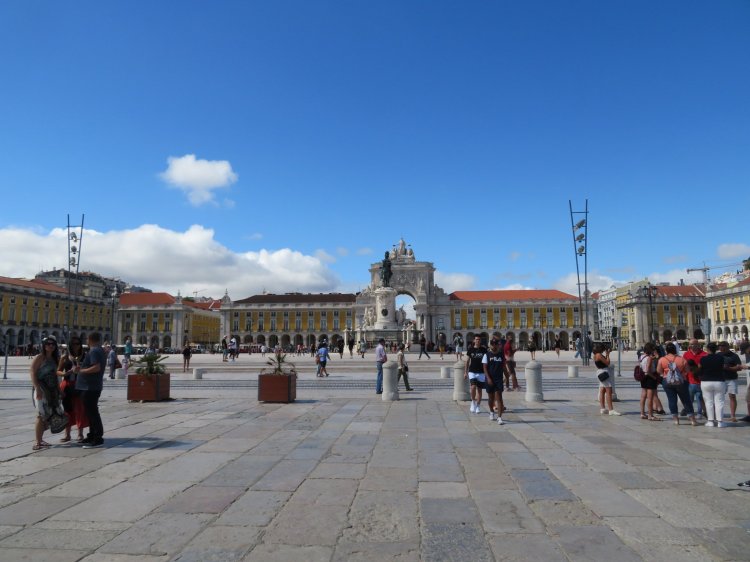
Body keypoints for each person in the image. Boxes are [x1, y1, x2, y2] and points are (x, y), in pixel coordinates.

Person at [74, 332, 107, 448]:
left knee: (92, 412)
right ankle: (92, 435)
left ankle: (97, 438)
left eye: (87, 339)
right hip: (92, 386)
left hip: (89, 387)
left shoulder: (94, 351)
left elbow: (96, 367)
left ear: (89, 339)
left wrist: (81, 371)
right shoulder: (100, 350)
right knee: (90, 412)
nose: (86, 341)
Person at [30, 336, 63, 450]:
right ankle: (37, 442)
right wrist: (37, 388)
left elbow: (57, 376)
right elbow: (32, 372)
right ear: (44, 346)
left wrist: (59, 390)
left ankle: (40, 439)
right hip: (41, 388)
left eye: (53, 344)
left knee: (49, 415)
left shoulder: (56, 359)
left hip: (52, 390)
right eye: (48, 344)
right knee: (40, 414)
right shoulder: (40, 357)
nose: (51, 346)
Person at [657, 342, 697, 426]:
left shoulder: (662, 359)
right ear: (675, 349)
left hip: (667, 381)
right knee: (686, 399)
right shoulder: (681, 359)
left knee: (672, 400)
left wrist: (666, 374)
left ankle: (676, 420)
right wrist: (681, 374)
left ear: (666, 350)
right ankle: (692, 419)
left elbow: (659, 371)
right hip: (681, 381)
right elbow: (687, 371)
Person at [58, 336, 88, 442]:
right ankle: (67, 434)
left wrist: (82, 370)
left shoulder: (85, 356)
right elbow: (58, 371)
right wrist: (66, 373)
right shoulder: (65, 357)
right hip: (67, 384)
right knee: (67, 410)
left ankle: (80, 434)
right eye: (73, 344)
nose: (76, 346)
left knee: (80, 409)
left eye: (78, 344)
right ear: (70, 345)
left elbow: (90, 369)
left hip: (80, 385)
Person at [700, 342, 728, 427]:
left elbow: (701, 370)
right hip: (719, 381)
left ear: (707, 349)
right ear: (716, 349)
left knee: (708, 402)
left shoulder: (703, 359)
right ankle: (720, 422)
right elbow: (723, 367)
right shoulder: (721, 358)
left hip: (706, 381)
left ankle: (710, 421)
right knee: (719, 402)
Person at [718, 340, 744, 422]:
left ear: (728, 347)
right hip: (720, 379)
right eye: (720, 347)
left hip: (732, 379)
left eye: (723, 347)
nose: (722, 349)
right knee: (719, 397)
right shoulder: (718, 355)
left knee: (732, 396)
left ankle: (733, 416)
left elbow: (739, 367)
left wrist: (728, 368)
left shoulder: (734, 356)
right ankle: (719, 415)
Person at [483, 338, 508, 424]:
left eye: (495, 344)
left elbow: (504, 367)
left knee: (499, 398)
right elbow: (485, 368)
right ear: (490, 345)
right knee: (491, 398)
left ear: (498, 345)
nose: (494, 346)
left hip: (498, 379)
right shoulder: (487, 355)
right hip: (490, 379)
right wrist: (488, 378)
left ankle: (499, 417)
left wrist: (507, 377)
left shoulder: (501, 355)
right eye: (492, 344)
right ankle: (491, 411)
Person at [682, 339, 707, 418]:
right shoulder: (686, 354)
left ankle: (699, 413)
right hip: (689, 379)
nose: (692, 346)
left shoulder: (704, 354)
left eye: (694, 344)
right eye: (691, 344)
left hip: (701, 380)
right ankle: (689, 411)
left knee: (700, 398)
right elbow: (683, 365)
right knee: (690, 398)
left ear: (698, 345)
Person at [594, 343, 620, 416]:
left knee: (602, 390)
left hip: (600, 372)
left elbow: (603, 362)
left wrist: (607, 354)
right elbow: (607, 363)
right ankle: (611, 410)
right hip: (604, 373)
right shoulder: (599, 355)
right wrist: (608, 355)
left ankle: (603, 408)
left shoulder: (596, 355)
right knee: (609, 390)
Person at [638, 342, 661, 420]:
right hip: (650, 378)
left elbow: (642, 366)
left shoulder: (641, 357)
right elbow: (648, 370)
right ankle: (650, 415)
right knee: (650, 397)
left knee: (643, 396)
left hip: (643, 377)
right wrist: (654, 378)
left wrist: (655, 357)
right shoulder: (649, 358)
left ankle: (642, 413)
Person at [465, 336, 487, 414]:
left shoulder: (484, 350)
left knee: (479, 390)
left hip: (481, 372)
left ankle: (478, 406)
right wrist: (465, 372)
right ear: (474, 340)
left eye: (479, 339)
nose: (478, 340)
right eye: (476, 339)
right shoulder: (470, 349)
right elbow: (467, 361)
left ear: (480, 341)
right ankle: (473, 402)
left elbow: (486, 361)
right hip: (472, 371)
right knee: (473, 387)